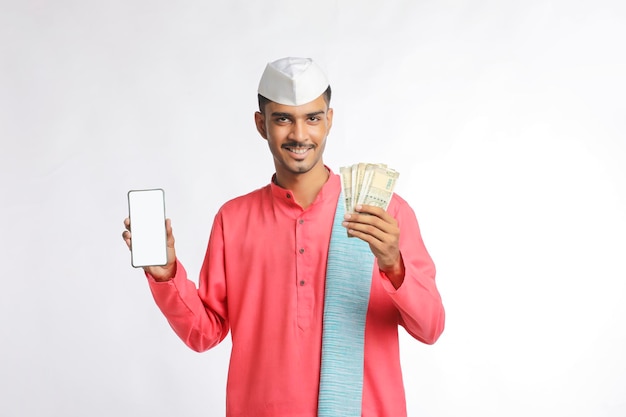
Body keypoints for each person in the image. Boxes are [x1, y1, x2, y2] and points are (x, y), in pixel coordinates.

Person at [122, 57, 445, 417]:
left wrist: (393, 264)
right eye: (283, 119)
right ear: (261, 124)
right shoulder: (234, 219)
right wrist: (166, 274)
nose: (299, 135)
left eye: (312, 118)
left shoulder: (383, 213)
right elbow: (204, 333)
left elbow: (430, 327)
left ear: (329, 121)